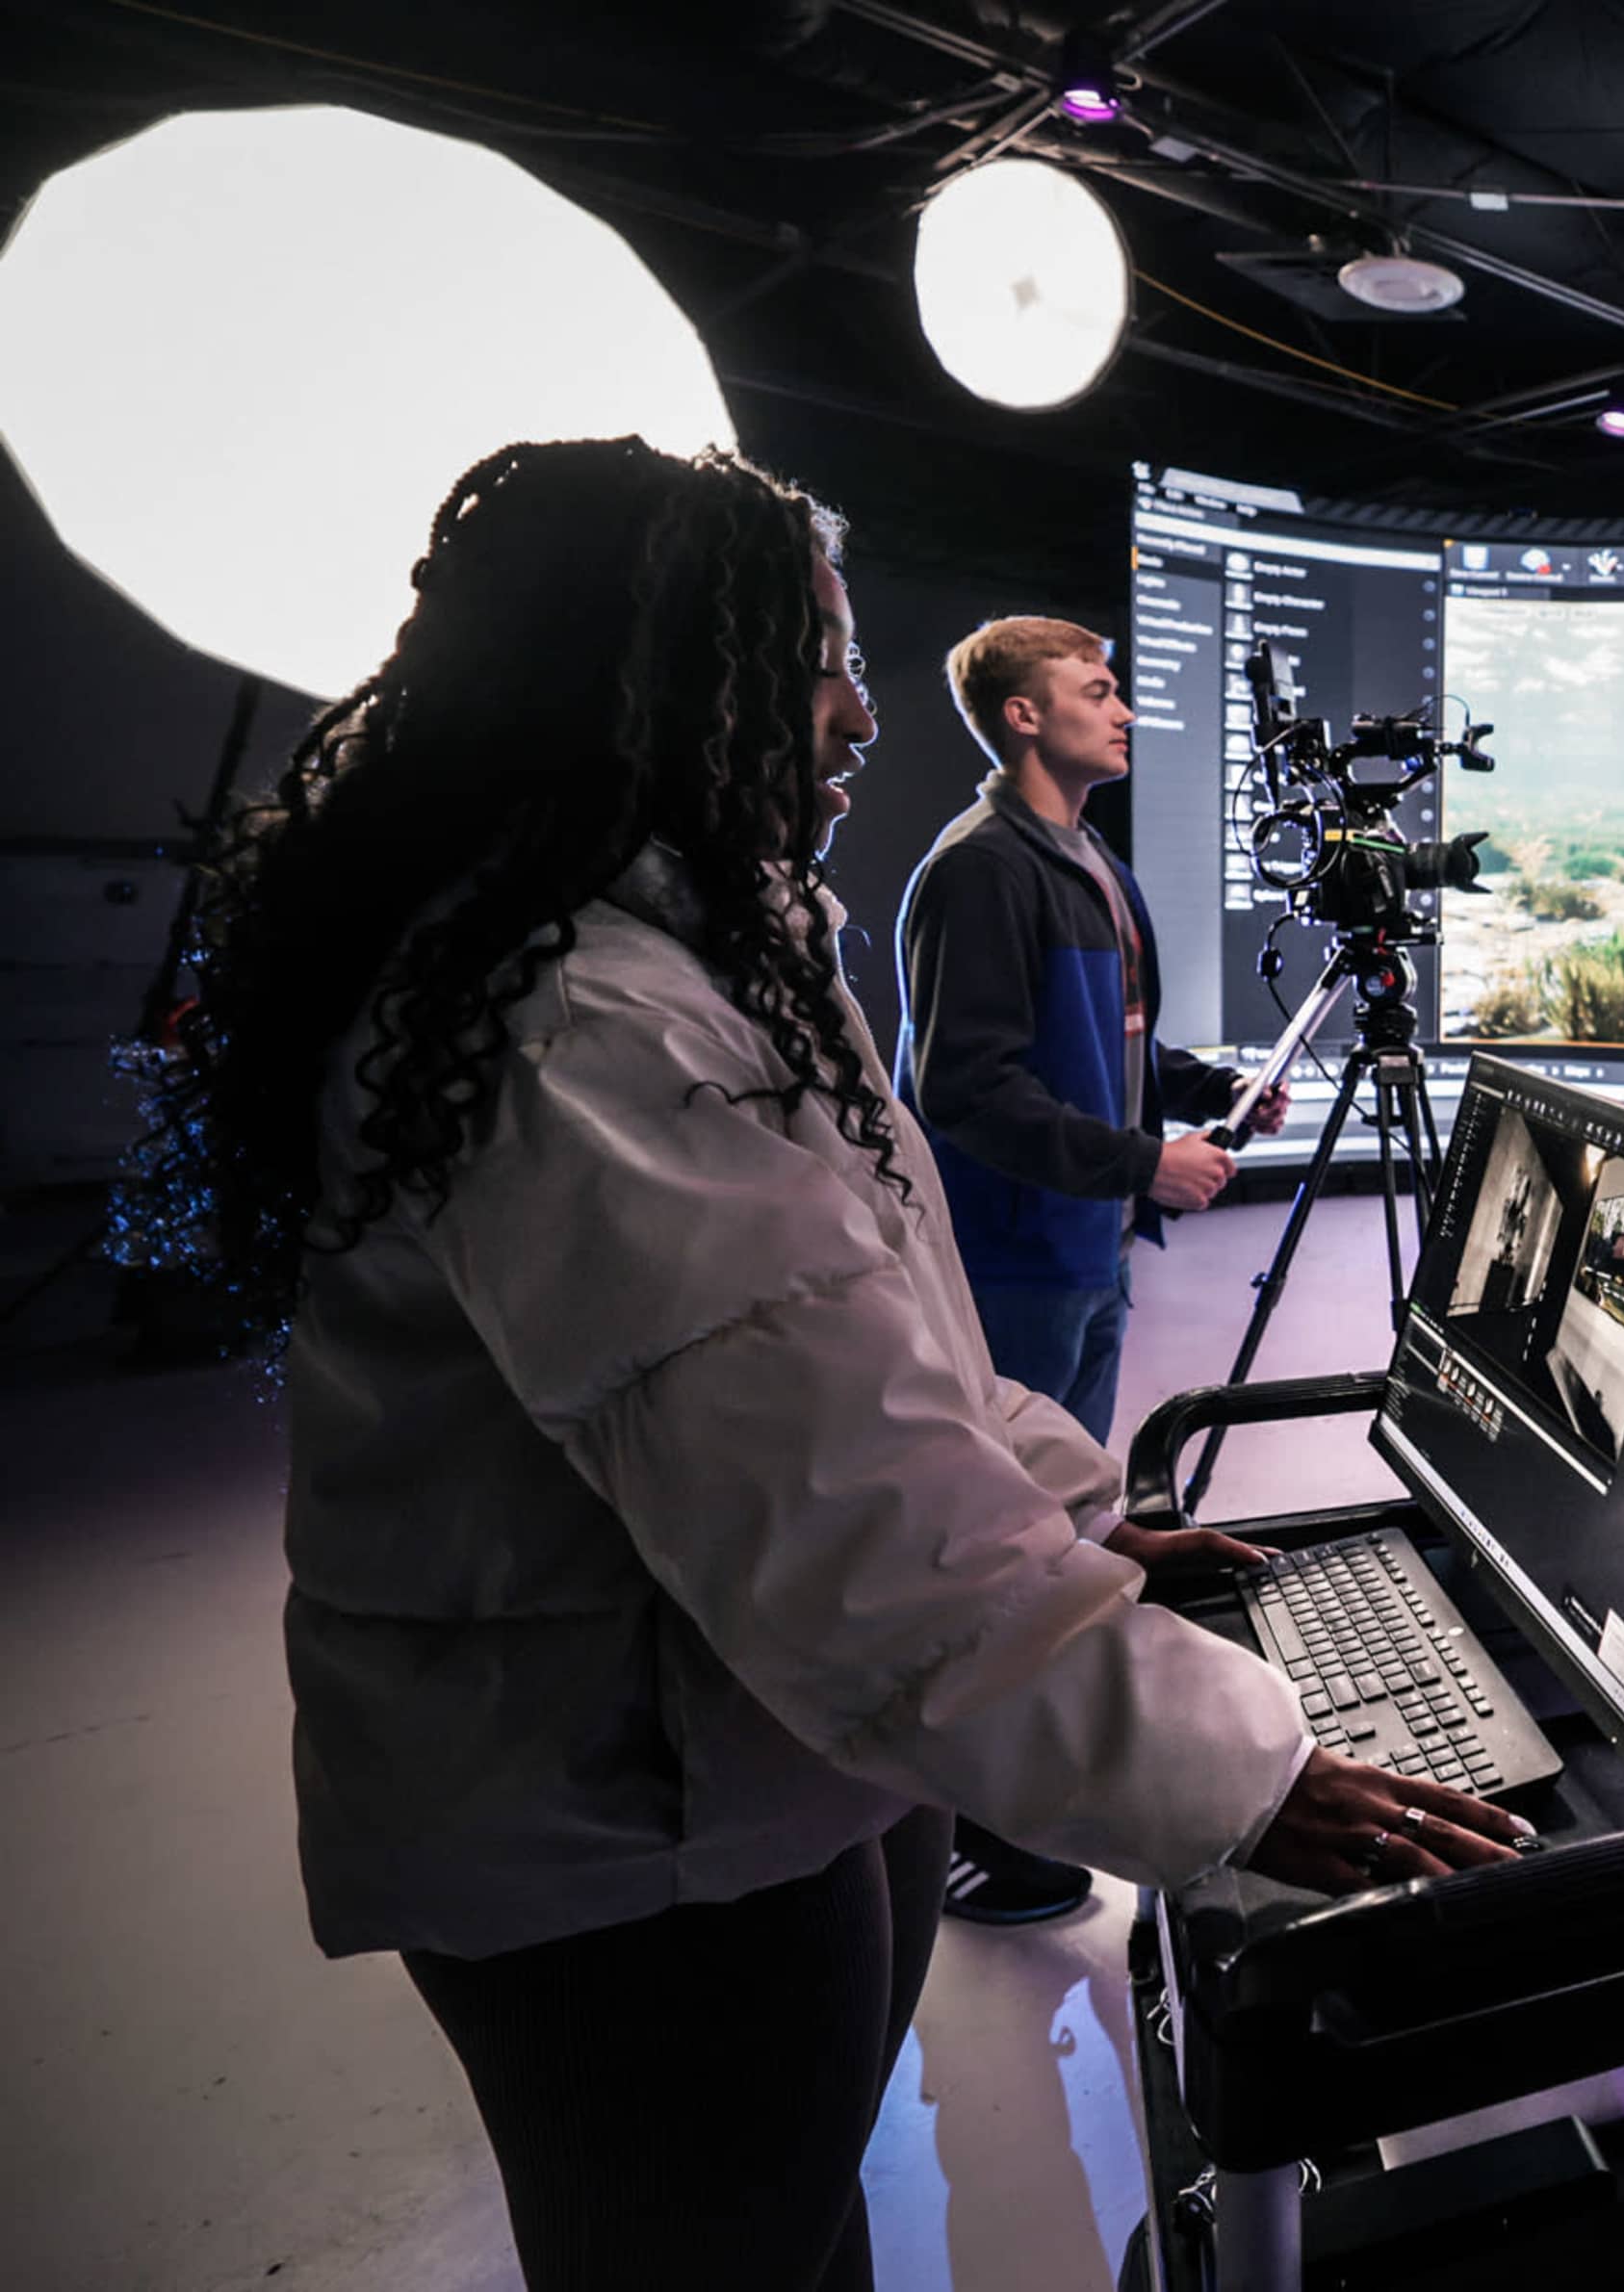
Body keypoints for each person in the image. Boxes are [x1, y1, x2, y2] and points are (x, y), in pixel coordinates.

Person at [150, 439, 1517, 2292]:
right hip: (638, 1842)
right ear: (647, 674)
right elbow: (848, 1508)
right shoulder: (581, 1016)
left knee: (804, 2239)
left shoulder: (696, 952)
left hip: (746, 1771)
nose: (860, 711)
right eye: (809, 660)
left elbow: (887, 1361)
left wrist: (1079, 1540)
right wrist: (1239, 1777)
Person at [893, 613, 1280, 1922]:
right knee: (999, 1549)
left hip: (1085, 1253)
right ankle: (986, 1833)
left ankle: (1030, 1799)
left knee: (1064, 1537)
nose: (1121, 709)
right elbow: (965, 1087)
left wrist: (1204, 1088)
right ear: (1020, 715)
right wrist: (1139, 1163)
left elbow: (1111, 1041)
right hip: (1009, 1263)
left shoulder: (1086, 860)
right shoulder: (980, 869)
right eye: (1095, 689)